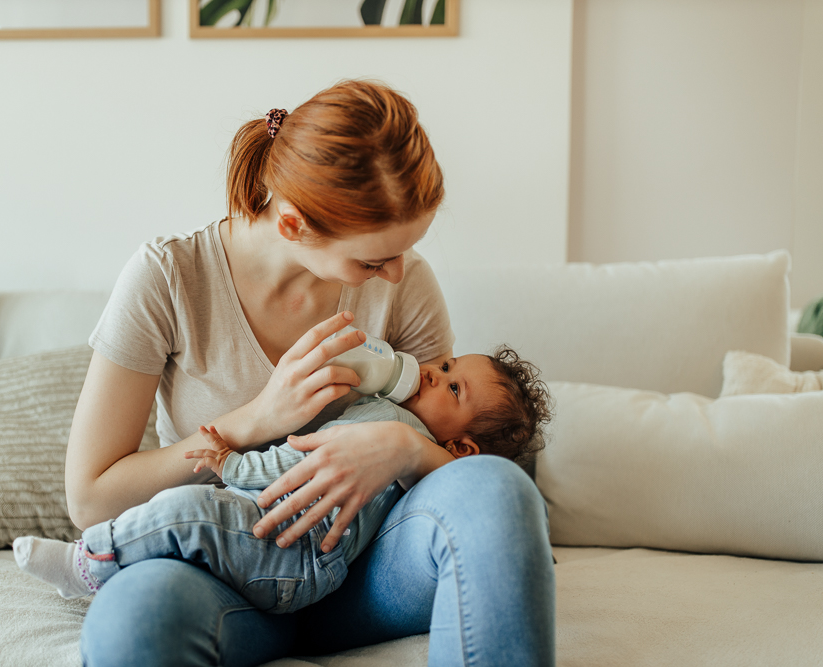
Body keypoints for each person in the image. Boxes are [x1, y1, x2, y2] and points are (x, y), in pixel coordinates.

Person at [64, 79, 556, 667]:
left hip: (367, 569)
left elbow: (453, 460)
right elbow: (91, 498)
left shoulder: (406, 285)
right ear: (294, 225)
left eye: (405, 251)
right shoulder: (168, 280)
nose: (396, 275)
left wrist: (404, 447)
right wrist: (254, 420)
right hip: (225, 568)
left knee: (499, 490)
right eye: (374, 260)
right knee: (132, 624)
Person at [14, 348, 552, 614]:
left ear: (461, 448)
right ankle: (117, 562)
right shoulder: (389, 414)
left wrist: (228, 463)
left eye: (454, 388)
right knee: (193, 526)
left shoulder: (396, 428)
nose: (434, 371)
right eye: (447, 363)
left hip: (292, 549)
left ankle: (88, 563)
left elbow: (293, 462)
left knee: (195, 510)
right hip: (300, 557)